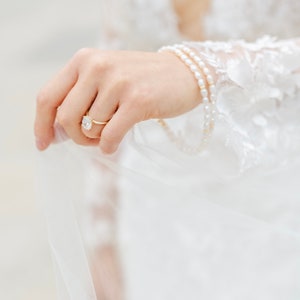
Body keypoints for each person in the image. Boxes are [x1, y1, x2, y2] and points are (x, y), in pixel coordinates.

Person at [35, 0, 300, 299]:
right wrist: (103, 242)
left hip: (272, 191)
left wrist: (204, 68)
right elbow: (119, 42)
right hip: (153, 206)